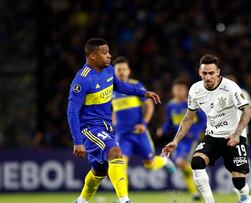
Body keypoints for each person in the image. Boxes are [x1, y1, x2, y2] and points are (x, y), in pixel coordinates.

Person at [67, 38, 160, 203]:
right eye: (105, 53)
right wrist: (77, 141)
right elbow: (72, 111)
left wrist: (144, 93)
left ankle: (81, 201)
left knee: (100, 171)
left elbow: (120, 86)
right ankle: (124, 200)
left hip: (106, 126)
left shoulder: (109, 70)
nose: (109, 56)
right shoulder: (82, 80)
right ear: (93, 55)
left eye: (109, 51)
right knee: (116, 153)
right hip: (90, 128)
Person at [162, 54, 251, 203]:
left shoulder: (230, 87)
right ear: (199, 73)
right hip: (212, 136)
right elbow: (188, 118)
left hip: (234, 137)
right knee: (196, 163)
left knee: (239, 183)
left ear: (218, 72)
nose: (208, 77)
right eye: (204, 73)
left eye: (211, 73)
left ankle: (247, 198)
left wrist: (237, 134)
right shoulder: (195, 90)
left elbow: (248, 110)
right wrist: (175, 141)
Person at [111, 56, 176, 188]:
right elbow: (114, 111)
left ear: (129, 71)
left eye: (124, 69)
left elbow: (149, 106)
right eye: (119, 70)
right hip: (123, 135)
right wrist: (114, 125)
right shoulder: (112, 89)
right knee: (120, 164)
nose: (122, 72)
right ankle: (124, 199)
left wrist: (144, 123)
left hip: (139, 133)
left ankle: (164, 161)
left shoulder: (136, 86)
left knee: (150, 165)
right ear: (115, 72)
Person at [156, 79, 206, 201]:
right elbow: (169, 122)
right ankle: (195, 191)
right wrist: (162, 129)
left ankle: (200, 184)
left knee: (180, 163)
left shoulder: (191, 103)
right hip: (178, 140)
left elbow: (204, 120)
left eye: (181, 89)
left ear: (186, 91)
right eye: (177, 89)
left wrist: (194, 132)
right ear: (173, 90)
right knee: (182, 165)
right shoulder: (170, 106)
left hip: (190, 140)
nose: (179, 92)